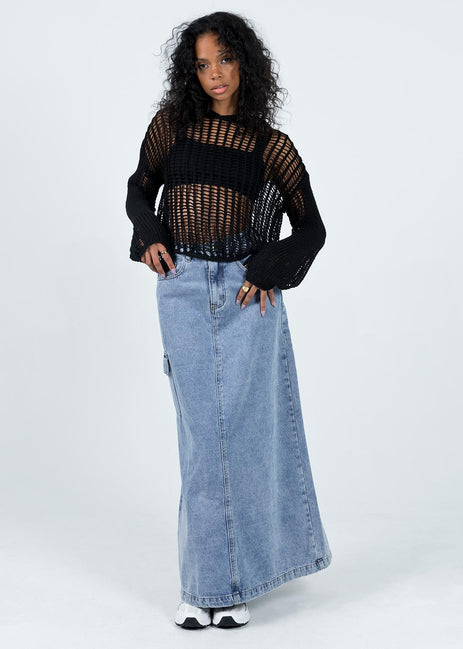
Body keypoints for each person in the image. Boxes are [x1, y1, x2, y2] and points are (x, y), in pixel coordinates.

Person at [125, 11, 332, 630]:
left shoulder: (271, 146)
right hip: (183, 288)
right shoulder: (172, 127)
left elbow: (312, 229)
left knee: (243, 438)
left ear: (245, 62)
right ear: (190, 72)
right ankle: (205, 587)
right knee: (201, 437)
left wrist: (267, 268)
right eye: (203, 63)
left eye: (225, 58)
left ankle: (228, 585)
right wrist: (150, 235)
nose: (215, 73)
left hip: (248, 298)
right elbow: (139, 188)